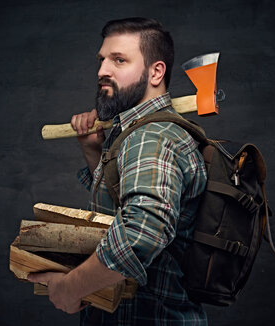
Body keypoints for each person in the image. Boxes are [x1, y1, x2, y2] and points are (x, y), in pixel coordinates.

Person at [28, 17, 208, 325]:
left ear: (156, 72)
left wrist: (72, 288)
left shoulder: (151, 137)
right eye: (101, 60)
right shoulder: (143, 133)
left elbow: (141, 233)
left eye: (119, 60)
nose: (102, 71)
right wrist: (92, 150)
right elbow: (123, 208)